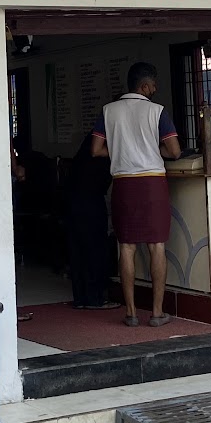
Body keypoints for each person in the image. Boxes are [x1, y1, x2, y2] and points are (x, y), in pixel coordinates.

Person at [92, 62, 181, 327]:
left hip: (123, 184)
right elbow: (175, 151)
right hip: (152, 184)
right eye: (153, 85)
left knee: (126, 247)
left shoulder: (108, 111)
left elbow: (96, 150)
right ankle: (156, 313)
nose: (154, 89)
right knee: (157, 246)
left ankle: (130, 312)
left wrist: (122, 150)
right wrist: (153, 150)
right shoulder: (157, 111)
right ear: (144, 86)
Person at [65, 132, 118, 310]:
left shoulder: (86, 147)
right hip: (91, 199)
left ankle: (81, 298)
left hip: (73, 198)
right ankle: (95, 298)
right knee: (95, 248)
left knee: (78, 249)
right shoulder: (106, 142)